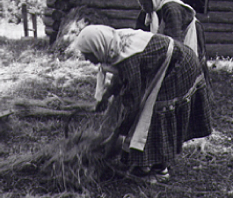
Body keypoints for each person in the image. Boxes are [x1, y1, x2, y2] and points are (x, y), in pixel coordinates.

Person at [73, 25, 212, 183]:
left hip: (179, 66)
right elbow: (121, 79)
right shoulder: (112, 43)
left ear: (97, 48)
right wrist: (105, 97)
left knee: (156, 114)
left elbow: (133, 102)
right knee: (147, 114)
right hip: (168, 62)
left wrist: (117, 134)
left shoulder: (127, 57)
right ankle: (144, 161)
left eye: (87, 55)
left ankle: (159, 169)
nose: (86, 59)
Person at [134, 0, 212, 93]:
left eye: (145, 4)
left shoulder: (171, 9)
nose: (143, 7)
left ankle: (196, 93)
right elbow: (140, 30)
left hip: (188, 34)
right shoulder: (150, 9)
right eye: (140, 4)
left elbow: (175, 41)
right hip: (172, 37)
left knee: (189, 64)